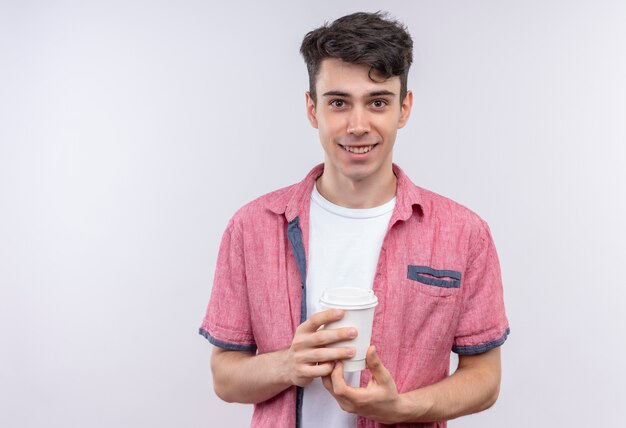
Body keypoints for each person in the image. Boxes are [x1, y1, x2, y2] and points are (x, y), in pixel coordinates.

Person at [199, 11, 509, 428]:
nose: (358, 125)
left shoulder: (464, 233)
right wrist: (288, 365)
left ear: (404, 108)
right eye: (339, 103)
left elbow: (485, 380)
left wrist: (400, 408)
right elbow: (225, 378)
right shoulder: (252, 226)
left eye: (377, 102)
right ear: (312, 109)